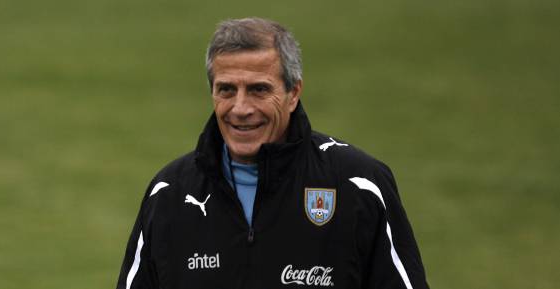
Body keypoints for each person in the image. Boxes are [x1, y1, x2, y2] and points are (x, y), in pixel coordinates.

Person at [116, 17, 429, 289]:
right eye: (226, 89)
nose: (240, 109)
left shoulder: (358, 185)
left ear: (293, 94)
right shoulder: (170, 194)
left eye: (259, 89)